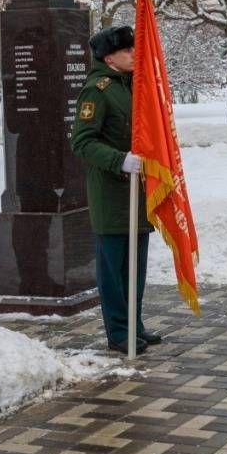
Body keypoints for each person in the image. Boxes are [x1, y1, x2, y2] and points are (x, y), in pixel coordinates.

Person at [69, 25, 159, 355]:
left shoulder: (132, 85)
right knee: (113, 270)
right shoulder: (97, 91)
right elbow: (82, 142)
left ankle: (134, 324)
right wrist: (119, 160)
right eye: (127, 50)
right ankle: (118, 332)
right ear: (109, 58)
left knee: (135, 266)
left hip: (138, 189)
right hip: (111, 191)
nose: (134, 54)